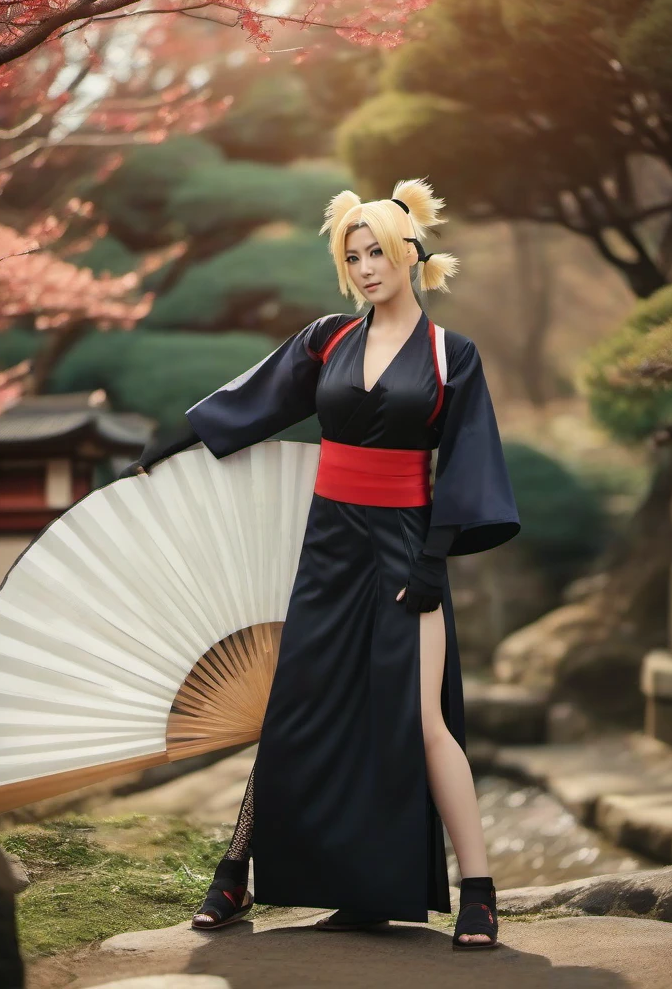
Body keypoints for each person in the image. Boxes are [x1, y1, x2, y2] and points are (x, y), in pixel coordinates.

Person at [120, 178, 520, 950]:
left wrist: (436, 561)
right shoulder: (329, 340)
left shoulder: (450, 355)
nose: (368, 267)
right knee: (294, 710)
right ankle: (234, 874)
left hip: (408, 549)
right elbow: (255, 398)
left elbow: (468, 464)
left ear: (411, 254)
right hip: (329, 544)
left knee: (423, 718)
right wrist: (176, 441)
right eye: (354, 255)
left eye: (379, 252)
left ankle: (479, 891)